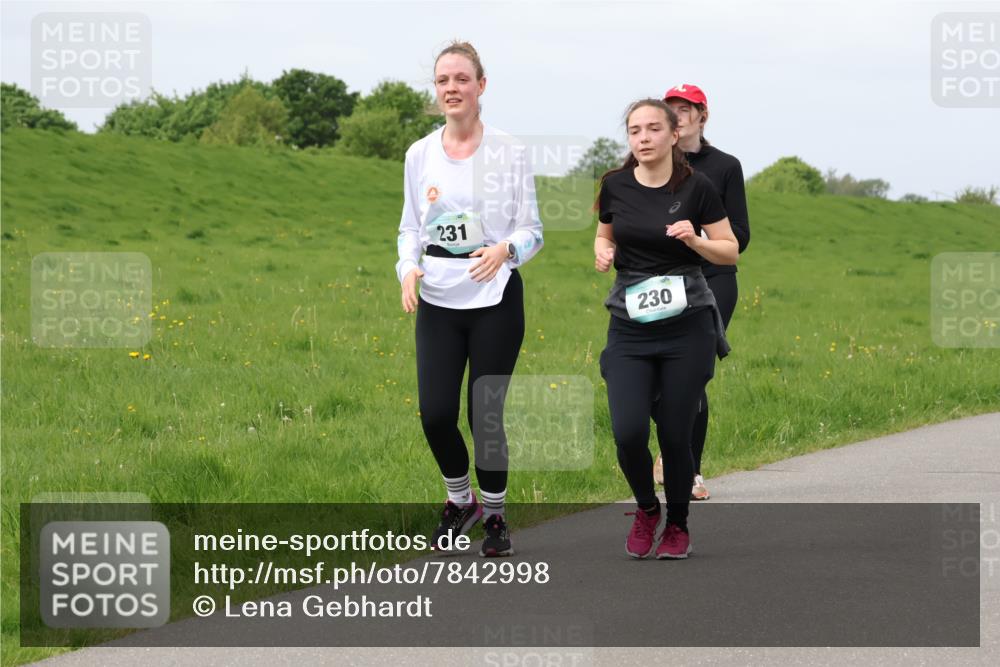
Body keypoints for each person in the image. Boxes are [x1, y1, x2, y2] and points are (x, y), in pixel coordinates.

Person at [396, 41, 544, 557]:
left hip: (495, 297)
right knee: (436, 413)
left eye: (462, 79)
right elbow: (409, 228)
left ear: (481, 86)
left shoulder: (510, 150)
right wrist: (407, 269)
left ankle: (497, 515)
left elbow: (533, 231)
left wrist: (505, 250)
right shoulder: (420, 154)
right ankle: (461, 502)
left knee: (485, 414)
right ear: (435, 91)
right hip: (438, 296)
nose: (452, 88)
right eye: (443, 81)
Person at [595, 98, 737, 559]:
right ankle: (645, 508)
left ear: (674, 135)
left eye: (653, 129)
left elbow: (730, 250)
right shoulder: (614, 185)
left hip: (687, 326)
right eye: (634, 130)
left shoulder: (698, 188)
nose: (642, 138)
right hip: (630, 327)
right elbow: (605, 232)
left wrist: (696, 240)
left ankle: (677, 523)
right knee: (629, 431)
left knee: (676, 435)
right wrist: (602, 252)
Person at [651, 84, 751, 501]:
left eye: (685, 109)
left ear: (701, 116)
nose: (678, 116)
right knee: (655, 374)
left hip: (712, 280)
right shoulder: (654, 163)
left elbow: (739, 238)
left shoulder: (724, 166)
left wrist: (698, 233)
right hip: (661, 282)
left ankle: (689, 470)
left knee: (691, 375)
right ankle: (671, 450)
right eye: (670, 109)